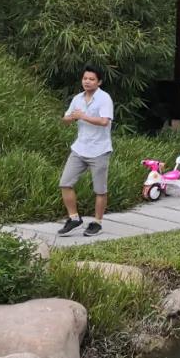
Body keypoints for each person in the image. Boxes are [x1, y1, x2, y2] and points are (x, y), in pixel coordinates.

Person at [58, 64, 114, 237]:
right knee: (65, 183)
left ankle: (97, 223)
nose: (87, 82)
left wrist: (83, 116)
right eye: (85, 78)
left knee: (100, 190)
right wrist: (70, 118)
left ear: (99, 82)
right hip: (79, 148)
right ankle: (74, 218)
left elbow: (104, 121)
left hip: (99, 150)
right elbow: (66, 119)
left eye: (91, 79)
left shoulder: (104, 98)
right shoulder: (77, 98)